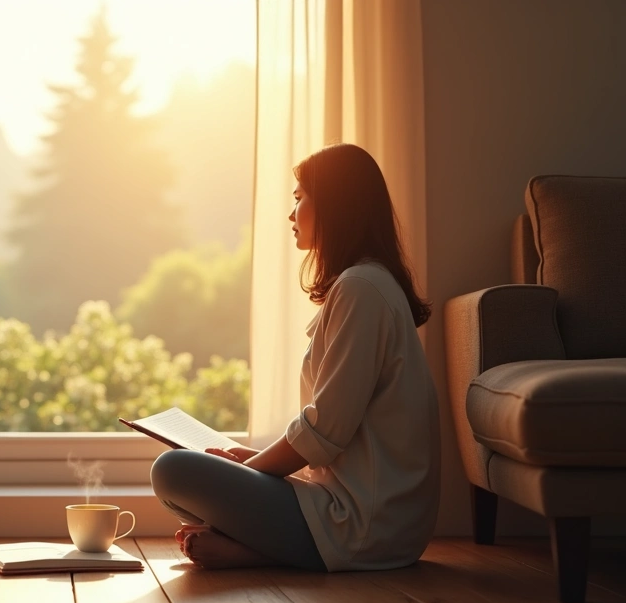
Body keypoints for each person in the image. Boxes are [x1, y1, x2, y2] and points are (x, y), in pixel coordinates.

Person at [150, 143, 439, 572]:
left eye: (299, 198)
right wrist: (250, 462)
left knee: (173, 471)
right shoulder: (363, 284)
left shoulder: (361, 289)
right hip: (361, 511)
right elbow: (332, 435)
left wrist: (254, 467)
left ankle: (258, 552)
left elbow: (325, 432)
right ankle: (262, 547)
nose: (292, 213)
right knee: (196, 466)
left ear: (336, 206)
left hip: (363, 525)